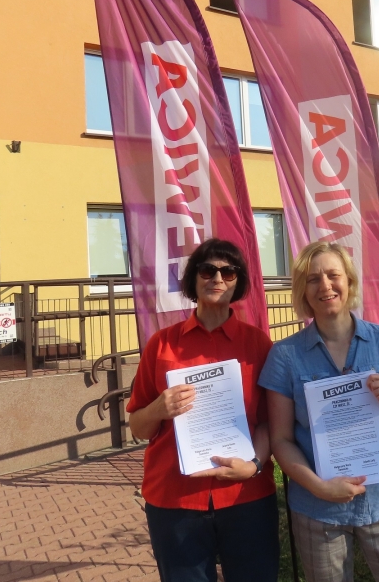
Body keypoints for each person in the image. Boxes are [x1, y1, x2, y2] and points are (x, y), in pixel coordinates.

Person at [259, 241, 379, 582]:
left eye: (333, 275)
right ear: (302, 290)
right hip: (318, 511)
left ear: (348, 281)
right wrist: (319, 487)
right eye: (313, 279)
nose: (325, 285)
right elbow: (281, 440)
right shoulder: (285, 356)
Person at [127, 238, 279, 582]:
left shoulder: (258, 344)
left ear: (239, 281)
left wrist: (254, 466)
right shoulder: (161, 344)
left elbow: (271, 422)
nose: (218, 278)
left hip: (245, 496)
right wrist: (158, 409)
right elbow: (138, 426)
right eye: (208, 270)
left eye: (229, 272)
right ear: (194, 279)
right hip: (175, 499)